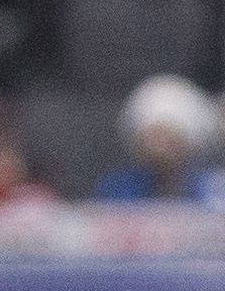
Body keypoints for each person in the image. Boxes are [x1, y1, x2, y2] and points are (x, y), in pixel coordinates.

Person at [92, 72, 225, 202]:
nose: (158, 148)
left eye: (168, 139)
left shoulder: (213, 189)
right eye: (151, 137)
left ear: (190, 145)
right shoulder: (117, 188)